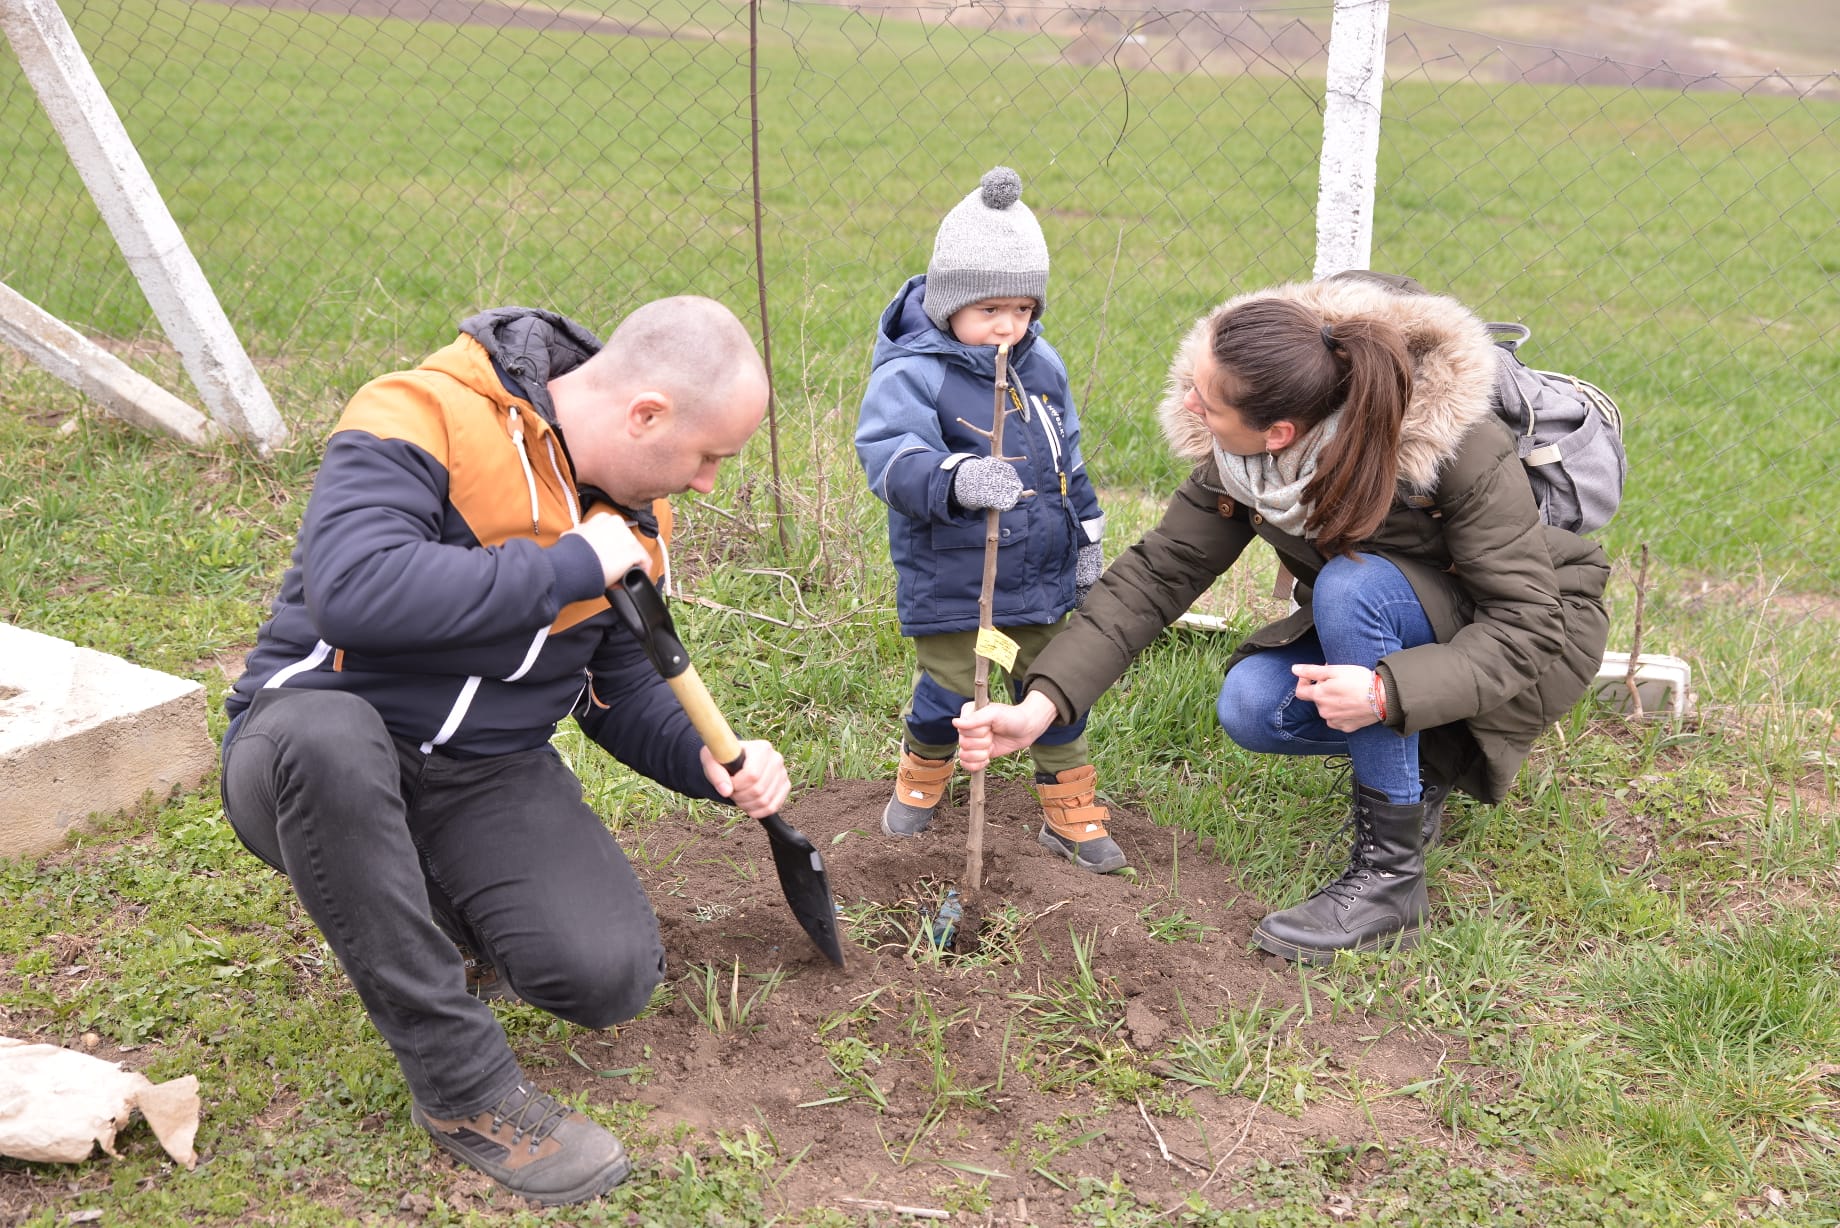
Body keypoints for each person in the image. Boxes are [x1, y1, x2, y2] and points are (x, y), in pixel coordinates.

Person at [220, 296, 791, 1206]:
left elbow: (617, 684)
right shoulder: (420, 413)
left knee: (605, 974)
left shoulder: (636, 514)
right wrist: (570, 563)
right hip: (312, 745)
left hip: (485, 771)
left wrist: (706, 758)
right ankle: (464, 1088)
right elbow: (355, 592)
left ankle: (416, 908)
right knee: (332, 742)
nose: (712, 482)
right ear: (646, 414)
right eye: (709, 456)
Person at [953, 271, 1610, 961]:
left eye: (1206, 402)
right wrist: (1043, 703)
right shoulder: (1249, 464)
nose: (1188, 406)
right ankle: (1422, 765)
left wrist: (1389, 692)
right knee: (1254, 705)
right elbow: (1158, 573)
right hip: (1420, 631)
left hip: (1527, 637)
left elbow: (1529, 625)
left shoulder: (1451, 446)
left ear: (1280, 433)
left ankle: (1390, 882)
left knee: (1352, 588)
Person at [853, 167, 1121, 874]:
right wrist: (956, 477)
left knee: (1056, 687)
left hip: (1038, 577)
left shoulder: (1045, 369)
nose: (1009, 327)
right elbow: (887, 456)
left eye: (1024, 310)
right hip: (956, 583)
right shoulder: (915, 373)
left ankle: (1068, 809)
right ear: (950, 305)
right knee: (949, 691)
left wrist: (1086, 542)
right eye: (991, 310)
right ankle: (925, 768)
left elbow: (1070, 464)